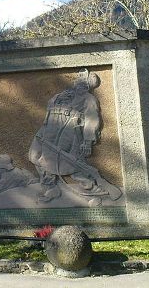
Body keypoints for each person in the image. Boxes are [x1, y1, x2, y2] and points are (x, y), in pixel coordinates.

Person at [29, 68, 120, 205]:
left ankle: (93, 191)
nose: (80, 85)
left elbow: (92, 119)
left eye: (85, 83)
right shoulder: (62, 95)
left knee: (70, 163)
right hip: (48, 129)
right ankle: (51, 187)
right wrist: (58, 99)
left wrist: (88, 141)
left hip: (69, 131)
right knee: (35, 156)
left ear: (88, 86)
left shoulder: (89, 99)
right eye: (79, 81)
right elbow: (50, 107)